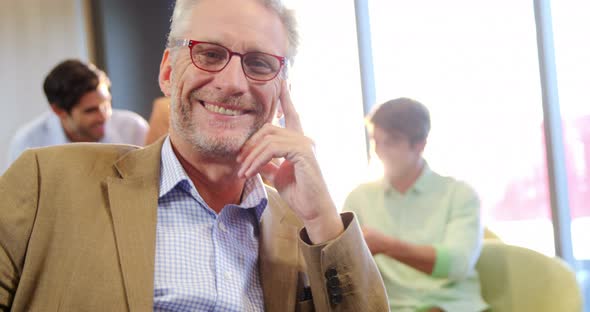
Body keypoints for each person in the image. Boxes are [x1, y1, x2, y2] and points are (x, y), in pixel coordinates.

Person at [0, 0, 388, 311]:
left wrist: (322, 220)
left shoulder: (308, 233)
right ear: (169, 72)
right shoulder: (45, 181)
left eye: (259, 64)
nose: (233, 83)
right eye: (210, 54)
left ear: (282, 92)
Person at [344, 98, 488, 312]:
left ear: (420, 145)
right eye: (376, 140)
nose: (380, 151)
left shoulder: (459, 194)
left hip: (452, 306)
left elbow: (458, 264)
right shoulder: (359, 198)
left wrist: (386, 245)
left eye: (391, 142)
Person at [5, 59, 149, 168]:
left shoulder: (134, 129)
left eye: (106, 104)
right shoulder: (28, 144)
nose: (104, 116)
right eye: (90, 110)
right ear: (59, 110)